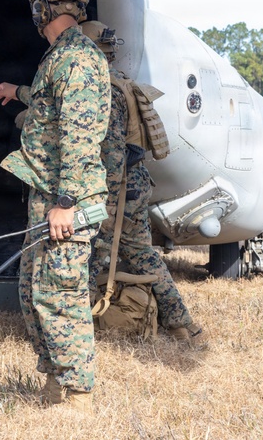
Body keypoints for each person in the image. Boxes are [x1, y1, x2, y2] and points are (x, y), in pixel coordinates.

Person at [0, 0, 110, 413]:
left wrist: (66, 202)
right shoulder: (61, 57)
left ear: (42, 7)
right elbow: (53, 106)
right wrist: (17, 91)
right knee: (34, 291)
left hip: (66, 199)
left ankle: (78, 395)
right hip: (49, 196)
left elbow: (79, 137)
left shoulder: (76, 59)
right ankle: (56, 381)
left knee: (60, 295)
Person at [80, 20, 207, 349]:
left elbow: (111, 155)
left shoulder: (103, 92)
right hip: (134, 183)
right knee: (142, 254)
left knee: (89, 253)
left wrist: (103, 204)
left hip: (116, 187)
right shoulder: (122, 82)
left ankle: (76, 331)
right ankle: (181, 325)